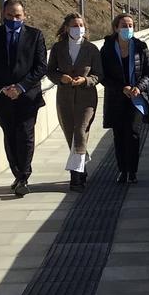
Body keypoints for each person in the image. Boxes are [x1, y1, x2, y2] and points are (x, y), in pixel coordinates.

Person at [0, 0, 47, 197]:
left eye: (17, 16)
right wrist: (2, 88)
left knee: (25, 134)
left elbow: (41, 66)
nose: (14, 19)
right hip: (1, 97)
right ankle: (17, 173)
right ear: (3, 15)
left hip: (28, 96)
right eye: (10, 16)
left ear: (24, 16)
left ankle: (24, 176)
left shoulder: (35, 36)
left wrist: (20, 87)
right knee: (10, 135)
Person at [46, 12, 101, 191]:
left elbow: (99, 74)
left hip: (86, 99)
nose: (78, 29)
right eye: (74, 26)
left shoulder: (91, 49)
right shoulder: (58, 48)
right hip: (65, 98)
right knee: (71, 135)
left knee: (80, 131)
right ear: (66, 28)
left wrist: (85, 80)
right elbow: (50, 71)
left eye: (80, 25)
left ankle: (75, 177)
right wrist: (61, 78)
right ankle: (82, 166)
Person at [100, 13, 149, 184]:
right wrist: (121, 88)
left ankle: (132, 171)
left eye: (130, 26)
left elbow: (148, 72)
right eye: (124, 25)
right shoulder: (107, 49)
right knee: (119, 135)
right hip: (116, 98)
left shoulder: (140, 46)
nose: (127, 29)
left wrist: (139, 87)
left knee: (133, 133)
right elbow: (103, 76)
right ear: (116, 28)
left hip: (136, 99)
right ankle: (122, 170)